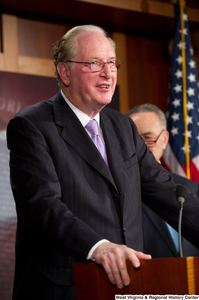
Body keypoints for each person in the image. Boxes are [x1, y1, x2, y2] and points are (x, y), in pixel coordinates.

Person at [7, 25, 199, 300]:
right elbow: (41, 206)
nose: (108, 73)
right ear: (64, 72)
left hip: (128, 286)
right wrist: (99, 247)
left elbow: (165, 191)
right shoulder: (32, 125)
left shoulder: (123, 127)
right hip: (66, 288)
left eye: (111, 63)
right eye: (94, 63)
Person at [127, 103, 199, 258]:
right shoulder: (120, 192)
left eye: (148, 138)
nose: (141, 148)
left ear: (164, 139)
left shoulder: (192, 189)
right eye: (134, 140)